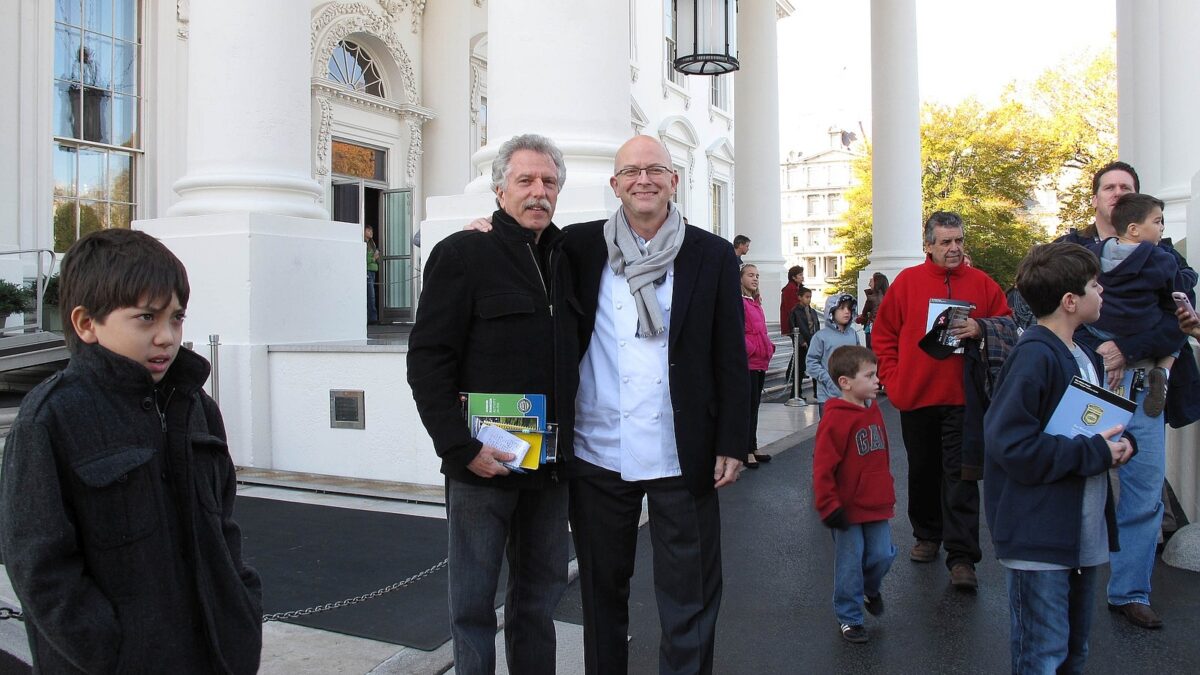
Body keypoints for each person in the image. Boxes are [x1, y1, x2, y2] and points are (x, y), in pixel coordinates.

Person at [0, 229, 263, 673]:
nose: (166, 336)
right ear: (86, 324)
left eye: (176, 318)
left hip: (216, 656)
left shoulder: (197, 406)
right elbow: (39, 567)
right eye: (146, 318)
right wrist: (110, 651)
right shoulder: (50, 419)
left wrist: (241, 605)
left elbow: (222, 524)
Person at [562, 135, 748, 675]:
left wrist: (733, 440)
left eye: (655, 170)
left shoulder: (710, 254)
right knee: (600, 595)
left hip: (681, 454)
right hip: (598, 452)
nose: (644, 180)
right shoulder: (578, 247)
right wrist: (484, 225)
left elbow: (729, 355)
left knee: (689, 596)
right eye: (632, 171)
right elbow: (517, 243)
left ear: (673, 181)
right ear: (615, 184)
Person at [407, 133, 580, 674]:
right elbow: (428, 360)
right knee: (474, 606)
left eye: (549, 182)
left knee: (538, 602)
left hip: (549, 469)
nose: (538, 192)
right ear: (499, 188)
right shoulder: (462, 253)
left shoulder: (571, 258)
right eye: (525, 181)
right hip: (484, 464)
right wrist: (460, 448)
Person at [984, 242, 1135, 673]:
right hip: (1039, 538)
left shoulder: (1081, 355)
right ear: (1070, 301)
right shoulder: (1034, 355)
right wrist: (1094, 452)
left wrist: (1118, 447)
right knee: (1042, 656)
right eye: (1093, 284)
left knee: (1072, 654)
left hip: (1076, 538)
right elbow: (1010, 445)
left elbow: (1090, 430)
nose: (1101, 291)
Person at [871, 211, 1011, 591]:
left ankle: (962, 556)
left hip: (964, 398)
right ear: (928, 245)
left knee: (961, 475)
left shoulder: (982, 283)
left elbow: (1009, 323)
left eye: (959, 241)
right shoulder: (907, 283)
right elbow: (883, 334)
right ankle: (927, 535)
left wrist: (981, 327)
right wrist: (894, 379)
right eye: (946, 242)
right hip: (916, 396)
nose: (954, 248)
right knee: (923, 469)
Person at [812, 345, 896, 644]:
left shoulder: (873, 410)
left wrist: (887, 488)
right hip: (846, 509)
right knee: (849, 563)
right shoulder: (835, 418)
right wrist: (828, 504)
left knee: (882, 555)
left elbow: (880, 455)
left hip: (876, 503)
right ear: (845, 382)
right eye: (870, 375)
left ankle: (870, 590)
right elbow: (822, 467)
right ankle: (849, 617)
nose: (877, 381)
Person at [1082, 193, 1189, 416]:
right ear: (1134, 229)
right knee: (1182, 324)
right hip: (1141, 330)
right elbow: (1175, 300)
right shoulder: (1162, 258)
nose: (1162, 228)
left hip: (1099, 331)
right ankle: (1163, 370)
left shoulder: (1091, 256)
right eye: (1157, 221)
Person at [741, 263, 775, 468]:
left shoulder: (755, 302)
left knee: (755, 407)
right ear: (741, 278)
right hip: (748, 362)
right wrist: (752, 348)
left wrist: (768, 348)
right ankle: (744, 449)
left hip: (760, 361)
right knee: (747, 408)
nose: (755, 279)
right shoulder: (739, 302)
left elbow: (761, 330)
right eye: (750, 275)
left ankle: (752, 445)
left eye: (757, 276)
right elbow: (737, 331)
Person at [806, 293, 860, 417]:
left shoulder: (853, 334)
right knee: (830, 431)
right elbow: (811, 363)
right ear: (832, 311)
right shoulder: (821, 337)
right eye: (841, 308)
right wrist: (827, 379)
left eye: (848, 308)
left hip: (851, 394)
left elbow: (859, 360)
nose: (846, 312)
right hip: (828, 397)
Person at [788, 286, 822, 403]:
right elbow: (794, 327)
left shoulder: (812, 311)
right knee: (800, 368)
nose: (809, 299)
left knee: (815, 367)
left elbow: (816, 325)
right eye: (806, 297)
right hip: (802, 344)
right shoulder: (795, 311)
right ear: (800, 297)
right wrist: (801, 341)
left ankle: (818, 393)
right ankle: (796, 393)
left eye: (810, 297)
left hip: (813, 341)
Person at [856, 272, 889, 350]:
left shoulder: (871, 298)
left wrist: (858, 319)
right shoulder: (888, 297)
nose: (869, 284)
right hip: (885, 330)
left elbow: (863, 316)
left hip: (872, 330)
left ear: (877, 283)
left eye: (871, 281)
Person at [780, 264, 806, 336]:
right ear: (793, 277)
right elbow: (792, 308)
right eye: (800, 275)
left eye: (802, 274)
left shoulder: (799, 288)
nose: (802, 277)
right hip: (793, 325)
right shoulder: (790, 289)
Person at [366, 224, 381, 324]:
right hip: (367, 272)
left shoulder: (372, 243)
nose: (371, 232)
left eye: (372, 230)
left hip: (373, 271)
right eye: (368, 230)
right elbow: (364, 259)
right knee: (370, 295)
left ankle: (372, 317)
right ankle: (372, 318)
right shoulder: (364, 244)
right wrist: (373, 258)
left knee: (372, 295)